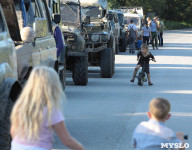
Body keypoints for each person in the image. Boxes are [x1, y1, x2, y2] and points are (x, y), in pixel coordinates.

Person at [10, 66, 84, 150]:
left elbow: (13, 131)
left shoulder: (20, 106)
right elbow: (67, 141)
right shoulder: (50, 110)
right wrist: (81, 148)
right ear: (53, 87)